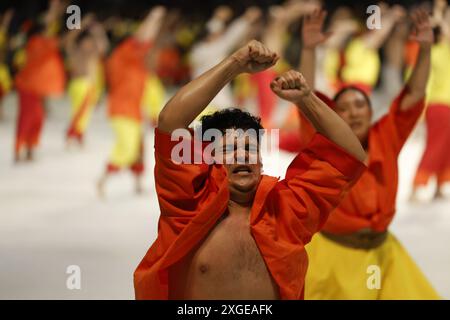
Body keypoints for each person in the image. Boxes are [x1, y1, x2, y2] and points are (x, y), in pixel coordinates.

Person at [134, 39, 366, 300]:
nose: (242, 154)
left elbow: (350, 155)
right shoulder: (188, 203)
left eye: (249, 148)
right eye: (229, 149)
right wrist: (235, 65)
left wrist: (306, 99)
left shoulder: (286, 210)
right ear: (207, 160)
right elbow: (170, 121)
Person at [298, 8, 440, 299]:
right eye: (344, 109)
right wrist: (309, 50)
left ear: (371, 111)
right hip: (332, 256)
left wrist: (425, 50)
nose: (352, 113)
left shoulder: (386, 134)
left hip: (383, 254)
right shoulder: (325, 142)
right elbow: (307, 97)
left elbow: (412, 95)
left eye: (360, 105)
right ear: (332, 117)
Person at [97, 7, 166, 197]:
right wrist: (153, 17)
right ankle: (102, 179)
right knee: (127, 149)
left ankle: (136, 183)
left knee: (138, 148)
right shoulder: (122, 56)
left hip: (132, 112)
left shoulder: (138, 68)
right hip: (121, 110)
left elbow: (152, 99)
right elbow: (141, 37)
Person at [14, 0, 66, 162]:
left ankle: (29, 149)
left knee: (37, 118)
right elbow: (53, 32)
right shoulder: (36, 43)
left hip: (35, 88)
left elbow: (51, 30)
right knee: (28, 118)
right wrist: (56, 10)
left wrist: (57, 10)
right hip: (27, 87)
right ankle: (19, 150)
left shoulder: (41, 42)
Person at [412, 0, 450, 201]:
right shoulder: (437, 52)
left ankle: (440, 184)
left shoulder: (442, 52)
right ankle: (418, 183)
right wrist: (440, 13)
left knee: (447, 148)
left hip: (445, 104)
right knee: (436, 146)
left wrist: (440, 12)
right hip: (439, 104)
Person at [63, 14, 109, 147]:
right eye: (86, 42)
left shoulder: (93, 54)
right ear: (81, 43)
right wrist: (82, 25)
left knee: (85, 114)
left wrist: (97, 30)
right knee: (79, 111)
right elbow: (69, 40)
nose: (88, 44)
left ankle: (78, 134)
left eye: (90, 42)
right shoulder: (75, 52)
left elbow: (103, 46)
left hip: (90, 86)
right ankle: (72, 134)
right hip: (78, 85)